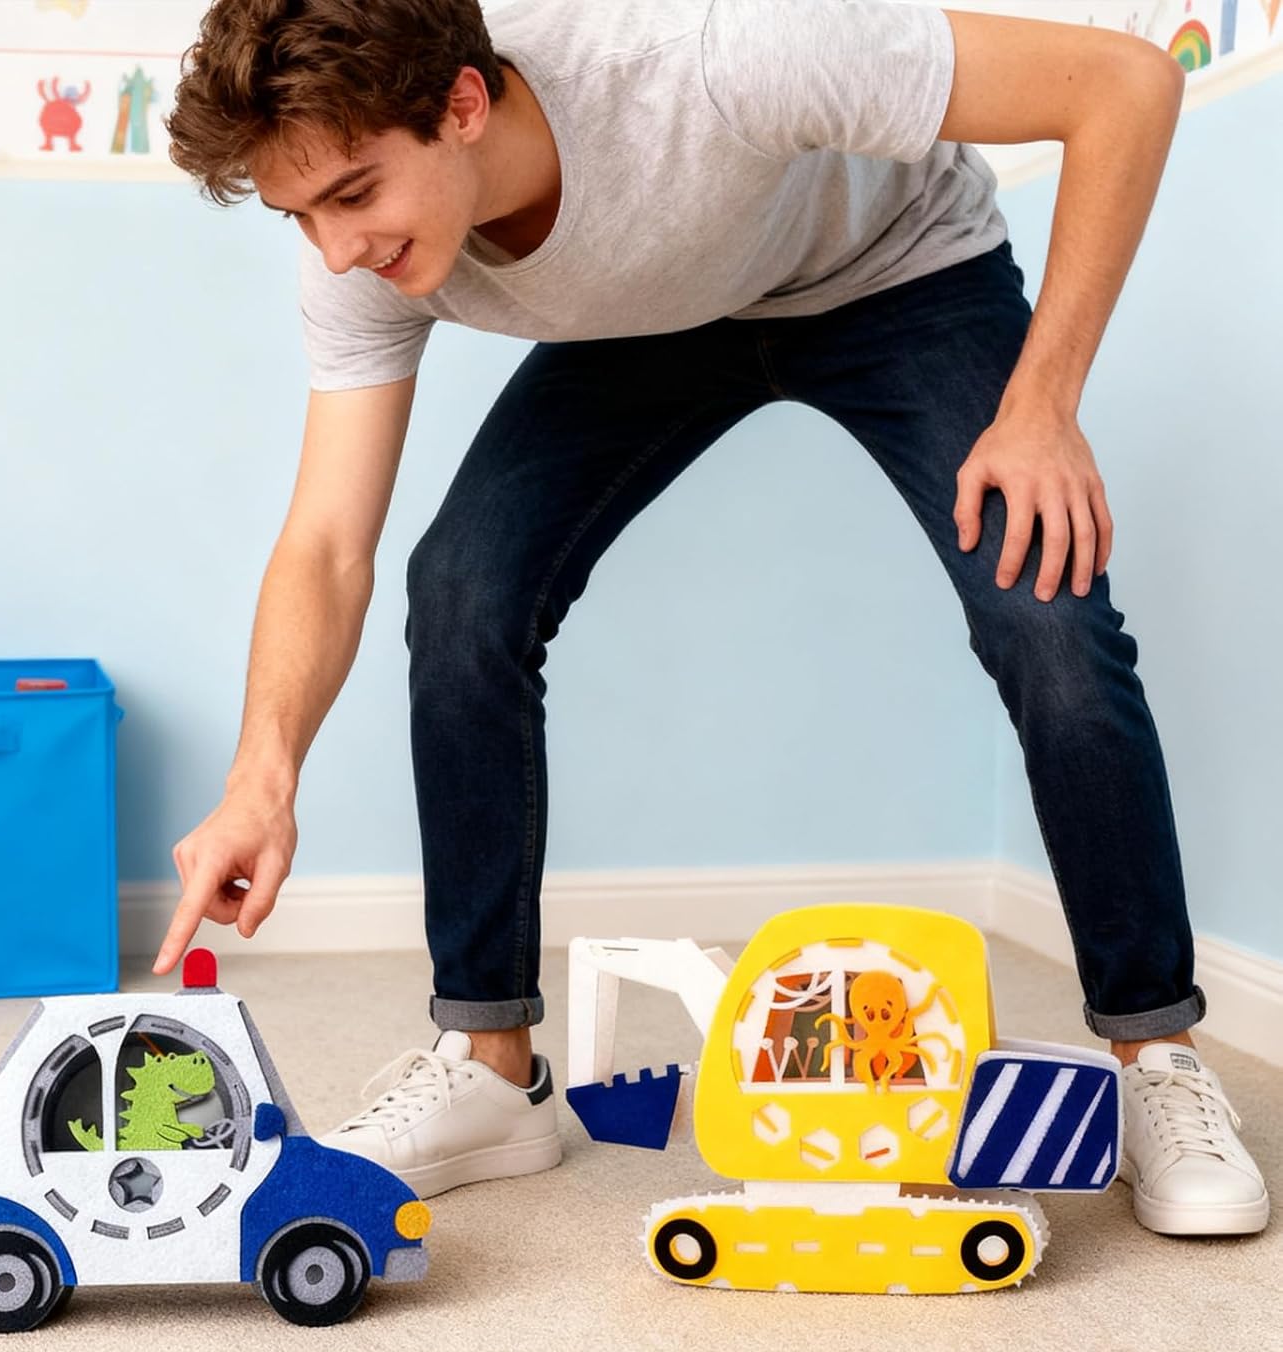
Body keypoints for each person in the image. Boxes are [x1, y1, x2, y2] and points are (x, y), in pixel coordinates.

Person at [155, 0, 1268, 1233]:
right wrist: (262, 777)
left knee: (1043, 614)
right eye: (300, 216)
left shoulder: (720, 54)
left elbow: (1124, 84)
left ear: (463, 105)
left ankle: (1155, 1056)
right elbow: (326, 543)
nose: (335, 248)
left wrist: (1043, 407)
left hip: (896, 273)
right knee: (462, 590)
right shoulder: (357, 256)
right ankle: (491, 1068)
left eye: (355, 195)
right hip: (653, 324)